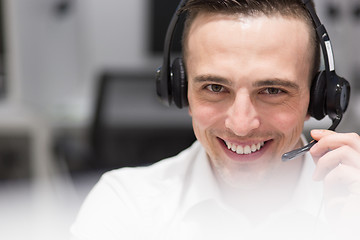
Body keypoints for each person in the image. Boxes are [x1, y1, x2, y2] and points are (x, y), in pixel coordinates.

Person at [70, 1, 360, 239]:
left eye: (272, 90)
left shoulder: (351, 205)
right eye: (215, 88)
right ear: (181, 92)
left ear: (318, 98)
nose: (241, 125)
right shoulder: (125, 206)